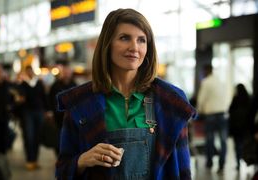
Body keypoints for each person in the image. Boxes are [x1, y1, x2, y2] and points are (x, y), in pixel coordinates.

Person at [55, 8, 197, 180]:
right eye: (124, 38)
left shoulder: (171, 101)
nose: (134, 47)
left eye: (141, 40)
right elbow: (62, 171)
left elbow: (183, 172)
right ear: (107, 44)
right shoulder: (80, 103)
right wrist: (82, 160)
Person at [197, 64, 228, 174]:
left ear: (206, 71)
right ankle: (222, 163)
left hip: (210, 115)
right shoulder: (220, 82)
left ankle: (209, 162)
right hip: (222, 114)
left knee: (210, 140)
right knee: (223, 140)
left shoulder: (206, 82)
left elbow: (201, 99)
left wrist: (199, 111)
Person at [19, 66, 50, 170]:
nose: (30, 73)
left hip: (39, 112)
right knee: (29, 136)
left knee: (37, 137)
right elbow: (20, 100)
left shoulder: (39, 83)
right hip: (28, 113)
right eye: (28, 71)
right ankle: (29, 160)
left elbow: (44, 97)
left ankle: (35, 160)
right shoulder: (23, 84)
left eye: (31, 71)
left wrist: (47, 110)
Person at [48, 63, 77, 155]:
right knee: (59, 137)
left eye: (68, 72)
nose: (66, 74)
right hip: (59, 117)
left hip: (72, 117)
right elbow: (50, 99)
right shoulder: (55, 85)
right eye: (65, 72)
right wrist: (50, 112)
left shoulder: (75, 85)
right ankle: (59, 155)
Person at [228, 83, 251, 170]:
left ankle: (238, 163)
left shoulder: (235, 99)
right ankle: (246, 161)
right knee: (245, 145)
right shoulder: (248, 98)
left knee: (237, 145)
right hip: (245, 127)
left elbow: (230, 110)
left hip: (236, 127)